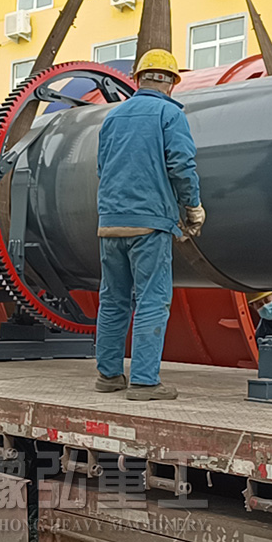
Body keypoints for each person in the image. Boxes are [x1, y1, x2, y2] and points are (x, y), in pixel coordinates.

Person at [95, 49, 205, 401]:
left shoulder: (113, 117)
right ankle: (144, 381)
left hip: (110, 223)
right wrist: (192, 207)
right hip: (149, 224)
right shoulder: (169, 114)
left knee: (113, 299)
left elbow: (102, 168)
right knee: (152, 299)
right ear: (171, 83)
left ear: (137, 79)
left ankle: (109, 376)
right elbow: (181, 165)